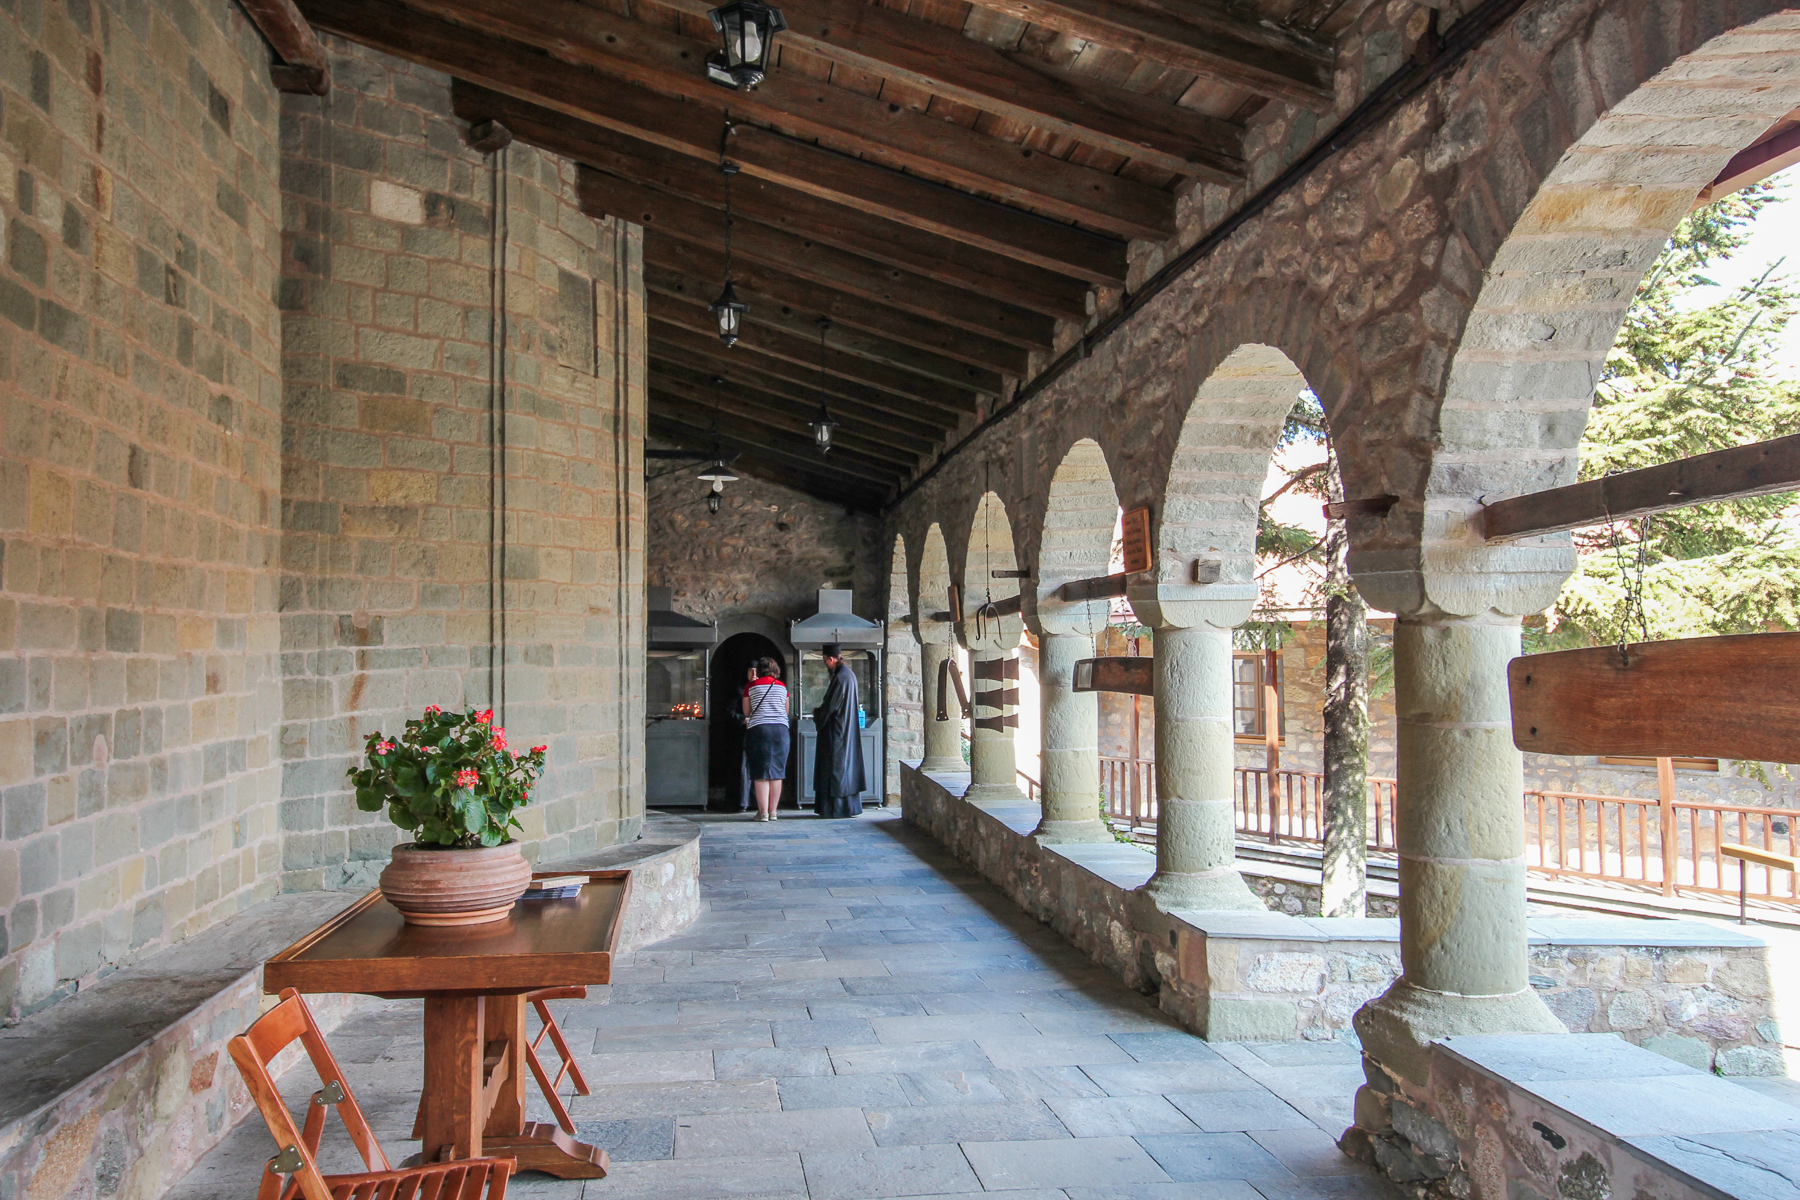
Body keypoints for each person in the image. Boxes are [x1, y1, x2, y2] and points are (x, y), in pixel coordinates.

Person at [811, 643, 866, 819]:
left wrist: (817, 713)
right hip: (845, 730)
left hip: (837, 733)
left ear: (832, 659)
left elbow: (831, 707)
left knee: (835, 769)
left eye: (825, 660)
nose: (825, 664)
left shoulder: (841, 678)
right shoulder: (848, 675)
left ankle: (835, 809)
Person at [741, 657, 790, 822]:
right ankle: (773, 812)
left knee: (760, 773)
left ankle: (762, 813)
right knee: (777, 773)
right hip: (780, 730)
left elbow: (747, 712)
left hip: (759, 730)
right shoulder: (782, 687)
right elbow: (786, 710)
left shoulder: (751, 686)